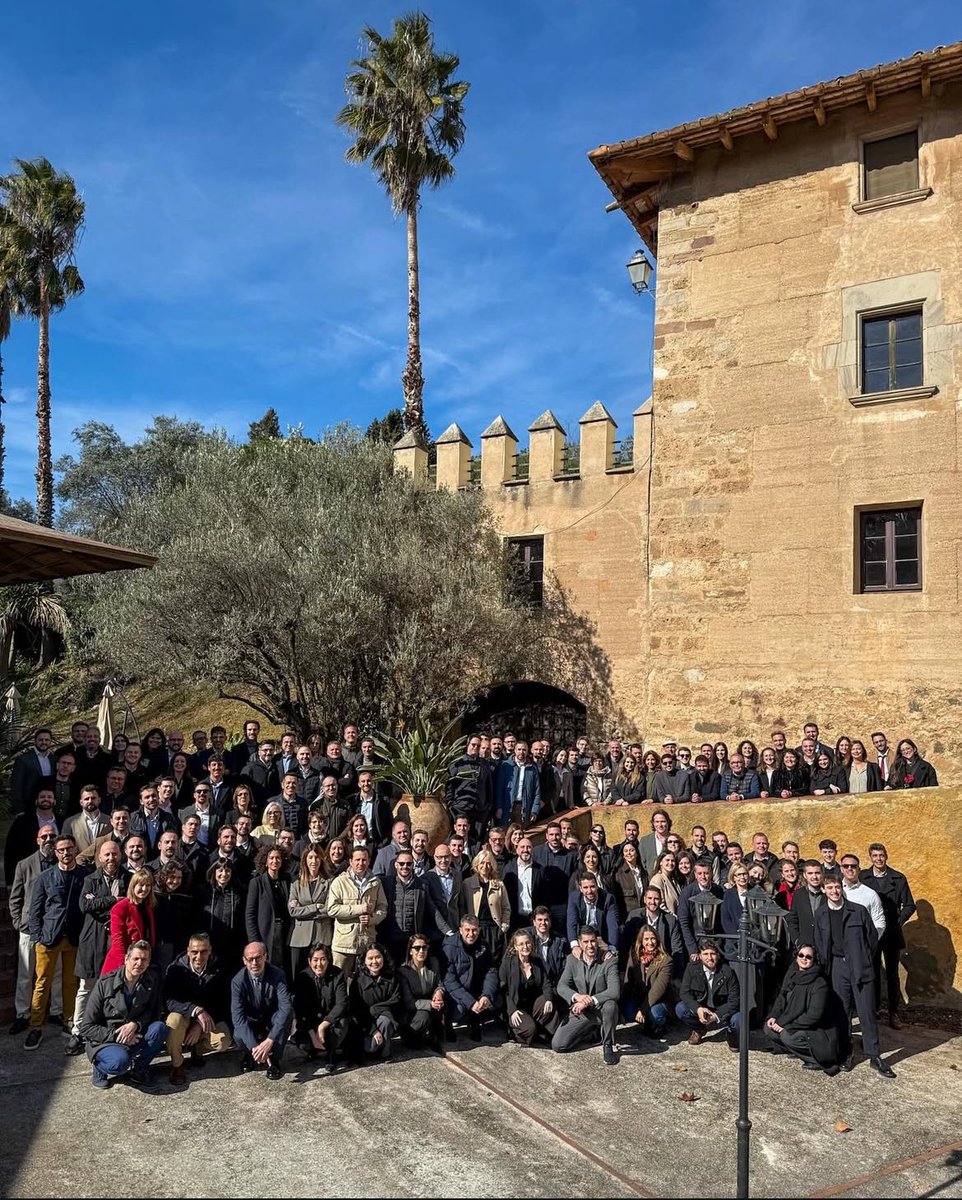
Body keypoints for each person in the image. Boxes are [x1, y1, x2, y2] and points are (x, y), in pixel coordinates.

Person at [815, 876, 894, 1077]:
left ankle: (874, 1055)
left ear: (841, 888)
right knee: (842, 1012)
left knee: (867, 1011)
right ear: (823, 890)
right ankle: (846, 1053)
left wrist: (863, 958)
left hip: (860, 965)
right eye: (829, 888)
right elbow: (820, 942)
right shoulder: (821, 913)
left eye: (837, 887)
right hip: (837, 966)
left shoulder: (858, 910)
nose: (834, 891)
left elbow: (872, 938)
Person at [26, 834, 88, 1049]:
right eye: (61, 850)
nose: (66, 853)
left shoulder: (84, 875)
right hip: (48, 938)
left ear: (75, 849)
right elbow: (34, 911)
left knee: (71, 983)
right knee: (42, 983)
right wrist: (38, 936)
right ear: (55, 852)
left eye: (69, 848)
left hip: (74, 938)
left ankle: (69, 1021)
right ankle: (35, 1027)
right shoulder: (45, 877)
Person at [80, 939, 167, 1091]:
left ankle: (139, 1069)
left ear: (148, 963)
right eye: (136, 958)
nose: (139, 963)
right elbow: (86, 1027)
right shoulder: (105, 983)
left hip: (135, 1033)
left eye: (144, 960)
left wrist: (136, 1024)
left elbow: (154, 1012)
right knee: (119, 1063)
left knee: (159, 1028)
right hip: (106, 1039)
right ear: (126, 959)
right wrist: (117, 1036)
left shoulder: (150, 981)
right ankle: (99, 1068)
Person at [7, 823, 59, 1037]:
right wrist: (18, 922)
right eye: (44, 836)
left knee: (56, 973)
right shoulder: (24, 864)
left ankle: (56, 1011)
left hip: (54, 927)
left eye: (52, 836)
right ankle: (22, 1014)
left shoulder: (62, 862)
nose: (48, 840)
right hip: (29, 928)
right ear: (38, 840)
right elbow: (15, 897)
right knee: (26, 974)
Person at [163, 932, 232, 1084]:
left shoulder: (219, 969)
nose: (199, 957)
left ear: (210, 950)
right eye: (194, 952)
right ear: (188, 951)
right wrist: (196, 1010)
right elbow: (169, 1001)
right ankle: (177, 1064)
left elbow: (223, 1002)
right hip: (184, 1015)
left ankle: (198, 1049)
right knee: (173, 1021)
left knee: (223, 1040)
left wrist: (199, 1025)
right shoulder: (175, 969)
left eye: (203, 952)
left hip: (208, 1017)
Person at [860, 843, 916, 1027]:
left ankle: (893, 1013)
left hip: (891, 932)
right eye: (875, 856)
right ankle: (874, 1010)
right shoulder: (863, 877)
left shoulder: (898, 878)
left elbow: (909, 905)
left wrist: (897, 922)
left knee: (892, 974)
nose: (878, 859)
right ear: (870, 857)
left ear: (886, 856)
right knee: (873, 972)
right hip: (871, 932)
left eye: (881, 855)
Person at [764, 943, 842, 1075]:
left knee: (787, 1036)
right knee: (768, 1028)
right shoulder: (792, 975)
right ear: (796, 957)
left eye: (808, 957)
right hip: (792, 1021)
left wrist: (786, 1025)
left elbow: (813, 1016)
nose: (804, 959)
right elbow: (782, 998)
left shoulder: (820, 983)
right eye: (801, 955)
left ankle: (813, 1059)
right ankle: (795, 1050)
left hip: (816, 1029)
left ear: (814, 960)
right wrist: (774, 1016)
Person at [551, 925, 620, 1065]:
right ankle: (591, 1033)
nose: (590, 945)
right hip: (582, 1011)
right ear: (580, 943)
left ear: (597, 941)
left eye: (593, 941)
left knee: (611, 1005)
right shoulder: (572, 960)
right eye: (586, 942)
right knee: (558, 1045)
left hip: (601, 1009)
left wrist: (589, 1000)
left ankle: (608, 1045)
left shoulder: (609, 960)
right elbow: (561, 986)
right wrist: (576, 996)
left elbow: (614, 991)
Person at [231, 941, 293, 1080]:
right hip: (251, 1019)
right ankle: (250, 1055)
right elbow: (238, 1018)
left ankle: (274, 1059)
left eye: (258, 958)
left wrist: (270, 1040)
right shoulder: (237, 981)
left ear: (265, 956)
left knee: (286, 1018)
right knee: (238, 1033)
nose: (254, 963)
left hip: (271, 1018)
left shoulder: (278, 975)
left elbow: (285, 1007)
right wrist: (254, 1047)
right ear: (244, 961)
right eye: (250, 959)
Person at [326, 846, 388, 980]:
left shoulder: (376, 883)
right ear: (350, 861)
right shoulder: (339, 882)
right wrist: (358, 909)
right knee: (339, 980)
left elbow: (382, 908)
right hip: (344, 944)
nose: (361, 863)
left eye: (364, 860)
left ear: (369, 861)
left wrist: (372, 919)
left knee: (365, 981)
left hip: (366, 942)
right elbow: (332, 909)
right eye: (357, 860)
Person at [293, 943, 350, 1072]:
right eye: (315, 960)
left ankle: (331, 1054)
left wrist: (323, 1025)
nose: (319, 964)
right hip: (311, 1021)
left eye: (323, 959)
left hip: (330, 1020)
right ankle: (313, 1049)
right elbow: (300, 1009)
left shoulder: (338, 974)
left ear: (328, 960)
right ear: (309, 961)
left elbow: (342, 1003)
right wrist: (313, 1035)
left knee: (342, 1023)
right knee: (303, 1042)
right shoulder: (302, 977)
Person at [443, 915, 501, 1041]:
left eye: (474, 930)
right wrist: (470, 1002)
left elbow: (491, 971)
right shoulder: (450, 947)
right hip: (456, 994)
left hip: (476, 989)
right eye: (467, 930)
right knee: (459, 1010)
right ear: (460, 930)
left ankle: (476, 1020)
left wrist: (486, 995)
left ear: (479, 930)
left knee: (497, 1001)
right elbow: (449, 981)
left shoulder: (483, 946)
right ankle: (449, 1023)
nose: (471, 934)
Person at [675, 939, 741, 1048]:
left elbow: (735, 1000)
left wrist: (716, 1015)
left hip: (721, 1008)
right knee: (681, 1008)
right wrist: (698, 1009)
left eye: (712, 954)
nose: (709, 957)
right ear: (700, 956)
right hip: (702, 1007)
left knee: (738, 1019)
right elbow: (684, 993)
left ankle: (732, 1035)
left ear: (718, 955)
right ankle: (699, 1029)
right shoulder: (691, 969)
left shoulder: (728, 972)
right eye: (705, 954)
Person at [499, 928, 559, 1046]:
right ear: (515, 947)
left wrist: (548, 999)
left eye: (527, 943)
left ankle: (550, 1036)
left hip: (532, 1005)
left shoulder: (537, 961)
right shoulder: (508, 963)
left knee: (547, 1003)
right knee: (530, 1029)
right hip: (516, 1007)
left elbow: (546, 983)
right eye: (521, 944)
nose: (525, 947)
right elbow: (503, 990)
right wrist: (512, 1010)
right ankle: (515, 1032)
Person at [246, 846, 292, 978]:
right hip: (265, 933)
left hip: (284, 932)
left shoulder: (287, 881)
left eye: (278, 858)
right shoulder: (256, 883)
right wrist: (254, 940)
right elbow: (250, 914)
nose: (275, 861)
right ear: (265, 861)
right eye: (271, 858)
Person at [350, 944, 401, 1061]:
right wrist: (373, 1030)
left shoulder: (392, 978)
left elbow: (396, 1000)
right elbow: (356, 1009)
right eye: (370, 958)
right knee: (370, 1048)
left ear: (383, 958)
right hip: (365, 1023)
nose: (374, 962)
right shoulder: (358, 981)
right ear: (364, 961)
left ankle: (385, 1053)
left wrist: (374, 1009)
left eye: (378, 957)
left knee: (386, 1020)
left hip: (385, 1019)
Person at [101, 869, 157, 975]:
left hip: (142, 960)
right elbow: (118, 941)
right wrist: (125, 966)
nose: (144, 889)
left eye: (148, 885)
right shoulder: (120, 908)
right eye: (141, 885)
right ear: (133, 886)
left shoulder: (148, 907)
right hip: (124, 962)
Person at [288, 846, 332, 975]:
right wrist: (315, 907)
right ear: (305, 860)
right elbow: (293, 911)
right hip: (299, 938)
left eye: (317, 857)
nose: (314, 861)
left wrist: (303, 911)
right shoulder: (296, 884)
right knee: (298, 976)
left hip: (321, 935)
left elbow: (329, 909)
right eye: (310, 857)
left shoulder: (329, 882)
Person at [622, 926, 672, 1037]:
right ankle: (647, 1022)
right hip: (639, 997)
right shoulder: (635, 955)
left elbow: (657, 990)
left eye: (653, 938)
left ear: (657, 940)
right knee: (628, 1012)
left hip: (658, 999)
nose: (650, 942)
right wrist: (621, 1004)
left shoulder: (666, 960)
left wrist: (643, 1010)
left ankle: (659, 1024)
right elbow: (628, 980)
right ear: (641, 941)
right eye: (646, 939)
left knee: (656, 1014)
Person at [397, 936, 446, 1050]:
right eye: (417, 948)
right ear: (410, 951)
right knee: (424, 1016)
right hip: (411, 1011)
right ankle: (410, 1037)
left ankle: (436, 1036)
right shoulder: (403, 971)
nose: (421, 951)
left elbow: (439, 983)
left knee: (443, 1003)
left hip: (430, 1003)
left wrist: (439, 991)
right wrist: (430, 1004)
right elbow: (409, 1002)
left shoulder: (433, 963)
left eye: (424, 947)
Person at [462, 850, 511, 964]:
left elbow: (506, 907)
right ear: (477, 864)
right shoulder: (467, 883)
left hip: (494, 930)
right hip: (475, 929)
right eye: (482, 863)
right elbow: (462, 907)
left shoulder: (499, 884)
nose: (485, 866)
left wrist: (504, 927)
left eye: (488, 863)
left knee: (494, 961)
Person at [196, 859, 246, 968]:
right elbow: (197, 919)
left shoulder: (239, 894)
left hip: (231, 945)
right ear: (214, 872)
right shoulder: (205, 892)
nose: (224, 874)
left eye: (227, 871)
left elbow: (242, 921)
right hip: (209, 944)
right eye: (220, 870)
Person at [677, 861, 724, 961]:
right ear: (695, 875)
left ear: (711, 873)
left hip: (715, 941)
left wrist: (719, 942)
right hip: (696, 940)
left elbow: (720, 918)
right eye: (699, 873)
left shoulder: (718, 890)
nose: (703, 877)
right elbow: (684, 922)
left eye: (706, 873)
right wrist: (692, 949)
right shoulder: (687, 893)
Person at [566, 871, 619, 958]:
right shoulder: (574, 898)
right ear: (580, 888)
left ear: (597, 886)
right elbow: (571, 922)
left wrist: (612, 948)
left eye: (592, 887)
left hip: (602, 937)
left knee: (609, 959)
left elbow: (612, 925)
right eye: (585, 887)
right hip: (583, 936)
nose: (589, 891)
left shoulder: (608, 899)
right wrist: (574, 945)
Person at [153, 861, 194, 973]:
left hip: (179, 945)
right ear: (164, 877)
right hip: (158, 943)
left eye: (179, 878)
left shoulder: (185, 897)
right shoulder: (154, 895)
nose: (175, 881)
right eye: (172, 877)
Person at [62, 785, 111, 859]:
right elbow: (65, 846)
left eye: (93, 798)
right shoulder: (70, 822)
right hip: (79, 863)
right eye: (86, 799)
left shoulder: (110, 821)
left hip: (103, 863)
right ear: (81, 802)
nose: (90, 801)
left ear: (99, 800)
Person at [527, 907, 570, 985]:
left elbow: (565, 966)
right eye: (540, 920)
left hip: (555, 983)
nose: (543, 923)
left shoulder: (560, 941)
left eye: (546, 920)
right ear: (534, 922)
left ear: (550, 922)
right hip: (533, 984)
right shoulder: (526, 938)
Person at [612, 840, 648, 921]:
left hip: (643, 914)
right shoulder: (619, 874)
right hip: (628, 917)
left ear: (637, 853)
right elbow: (617, 900)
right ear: (623, 855)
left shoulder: (643, 873)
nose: (628, 853)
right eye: (626, 851)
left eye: (631, 850)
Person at [649, 851, 683, 917]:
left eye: (672, 861)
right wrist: (672, 917)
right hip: (666, 919)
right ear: (661, 862)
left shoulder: (673, 879)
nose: (670, 863)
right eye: (667, 860)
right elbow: (659, 905)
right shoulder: (657, 879)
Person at [639, 810, 672, 877]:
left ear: (668, 822)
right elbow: (641, 864)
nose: (660, 825)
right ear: (653, 823)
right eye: (657, 822)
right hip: (650, 880)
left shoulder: (674, 840)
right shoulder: (644, 841)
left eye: (663, 821)